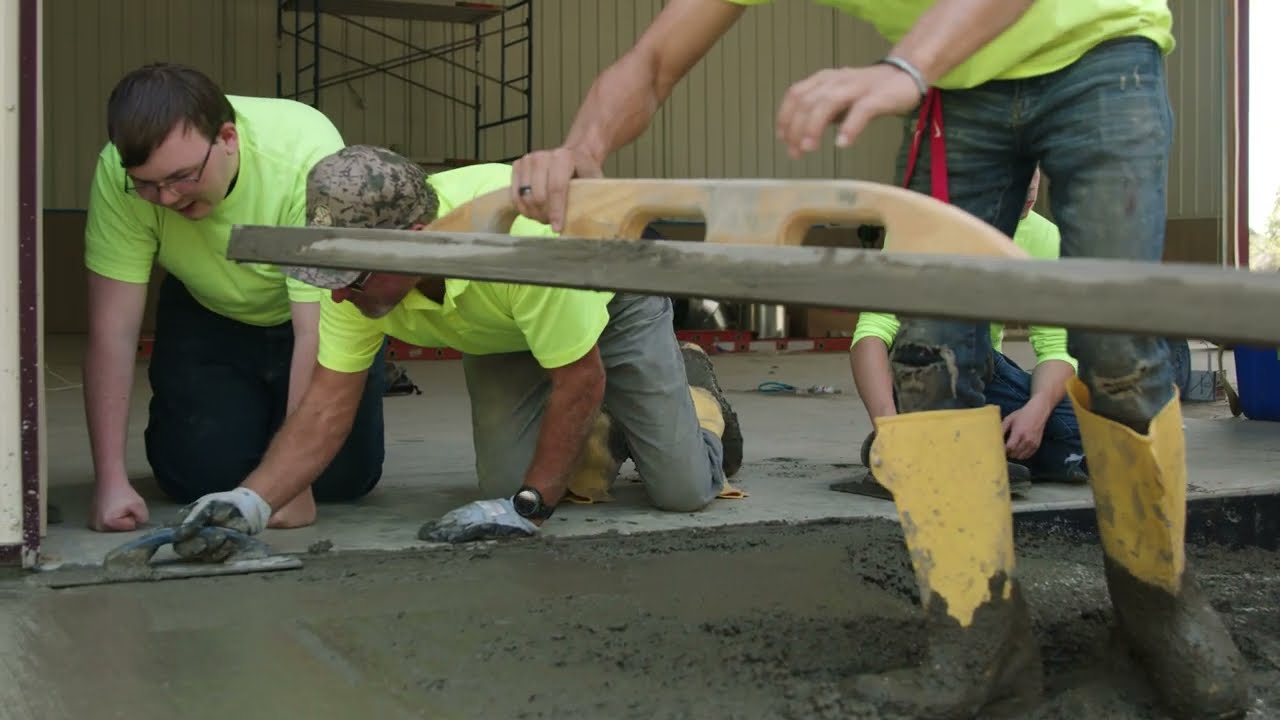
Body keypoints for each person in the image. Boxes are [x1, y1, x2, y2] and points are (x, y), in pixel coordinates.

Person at [503, 1, 1247, 718]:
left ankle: (1159, 612)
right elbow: (654, 60)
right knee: (927, 359)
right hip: (956, 94)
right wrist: (582, 150)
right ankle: (975, 643)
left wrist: (905, 67)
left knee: (1118, 343)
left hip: (1099, 56)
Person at [169, 144, 746, 550]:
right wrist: (250, 502)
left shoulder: (525, 242)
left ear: (418, 244)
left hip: (610, 295)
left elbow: (581, 379)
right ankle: (601, 433)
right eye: (330, 277)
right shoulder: (354, 279)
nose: (337, 296)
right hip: (506, 327)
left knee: (681, 490)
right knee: (503, 487)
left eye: (352, 280)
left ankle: (697, 395)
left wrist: (532, 508)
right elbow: (325, 404)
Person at [83, 63, 387, 533]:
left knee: (342, 479)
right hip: (208, 308)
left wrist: (292, 487)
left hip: (311, 318)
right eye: (147, 184)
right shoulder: (119, 172)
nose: (166, 198)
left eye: (182, 177)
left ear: (228, 138)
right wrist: (110, 483)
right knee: (193, 477)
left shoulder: (307, 156)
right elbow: (112, 333)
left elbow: (314, 331)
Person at [851, 169, 1088, 493]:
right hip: (921, 372)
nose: (1031, 184)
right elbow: (873, 331)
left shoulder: (1046, 237)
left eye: (1032, 166)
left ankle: (938, 449)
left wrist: (1038, 408)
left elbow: (1058, 346)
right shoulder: (922, 227)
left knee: (1089, 432)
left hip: (987, 379)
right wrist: (886, 425)